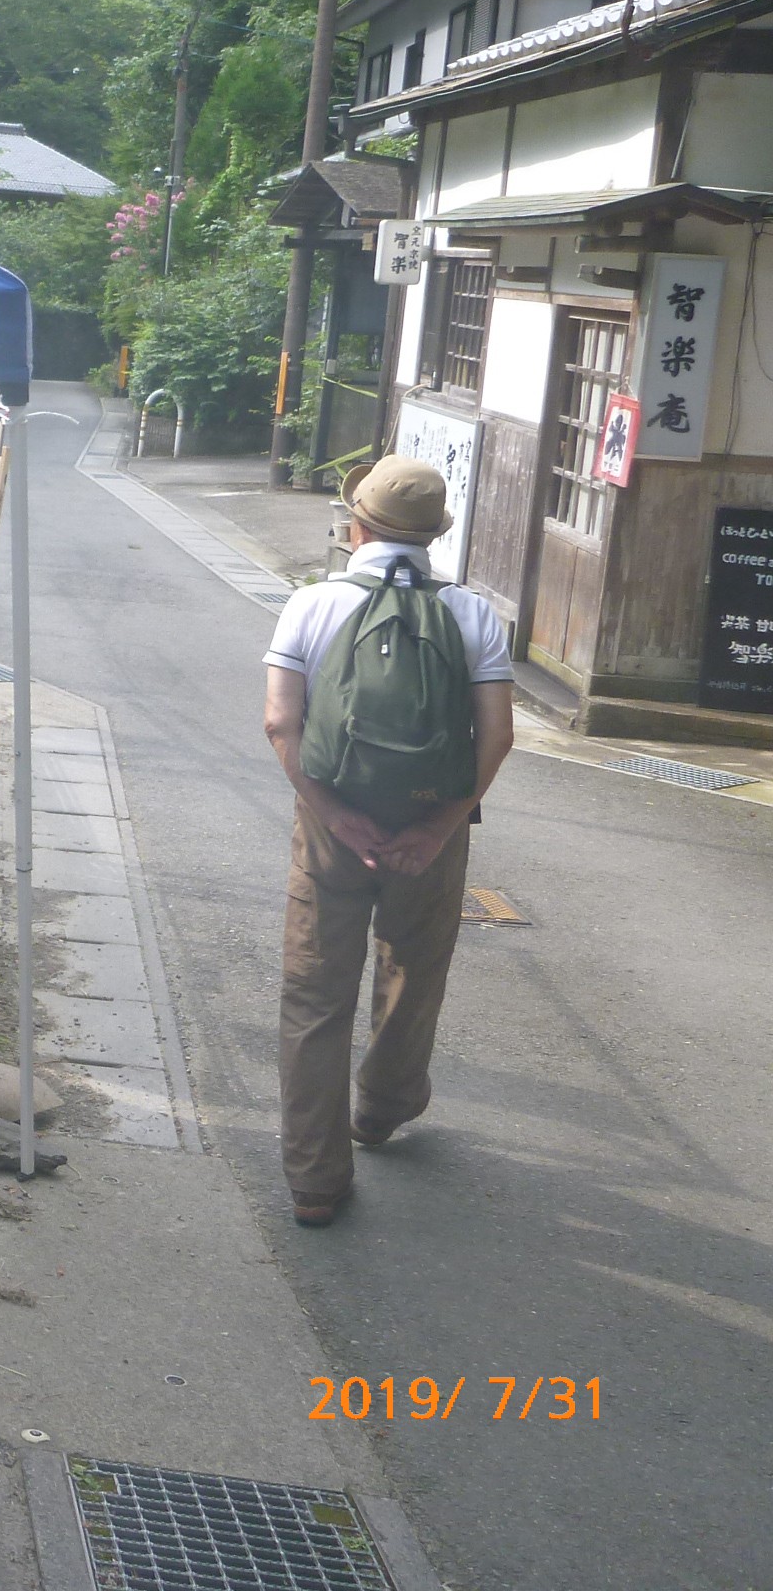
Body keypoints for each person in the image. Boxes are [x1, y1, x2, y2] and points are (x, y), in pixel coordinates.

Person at [261, 454, 516, 1228]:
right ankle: (382, 1106)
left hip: (334, 822)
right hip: (430, 823)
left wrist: (335, 815)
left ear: (356, 524)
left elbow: (281, 722)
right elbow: (497, 736)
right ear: (437, 536)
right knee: (416, 965)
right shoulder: (472, 615)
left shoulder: (312, 604)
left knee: (314, 994)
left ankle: (314, 1182)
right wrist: (439, 826)